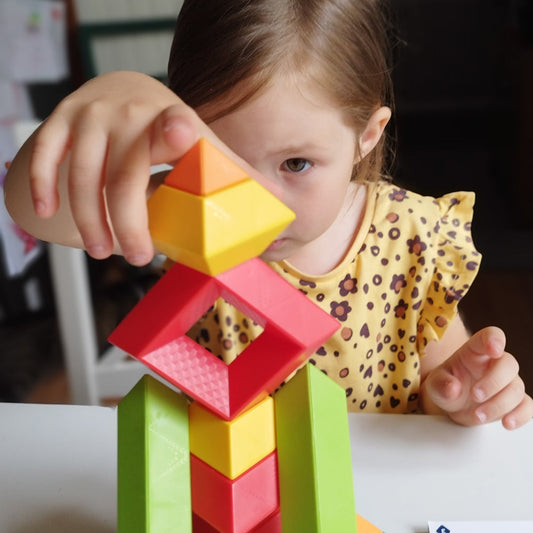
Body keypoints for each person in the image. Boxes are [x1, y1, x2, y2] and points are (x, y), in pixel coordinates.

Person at [4, 0, 532, 429]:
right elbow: (33, 207)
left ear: (367, 136)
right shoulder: (196, 222)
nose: (260, 203)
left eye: (295, 164)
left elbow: (439, 390)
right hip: (234, 494)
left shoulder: (411, 237)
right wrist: (118, 88)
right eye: (220, 159)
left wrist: (461, 394)